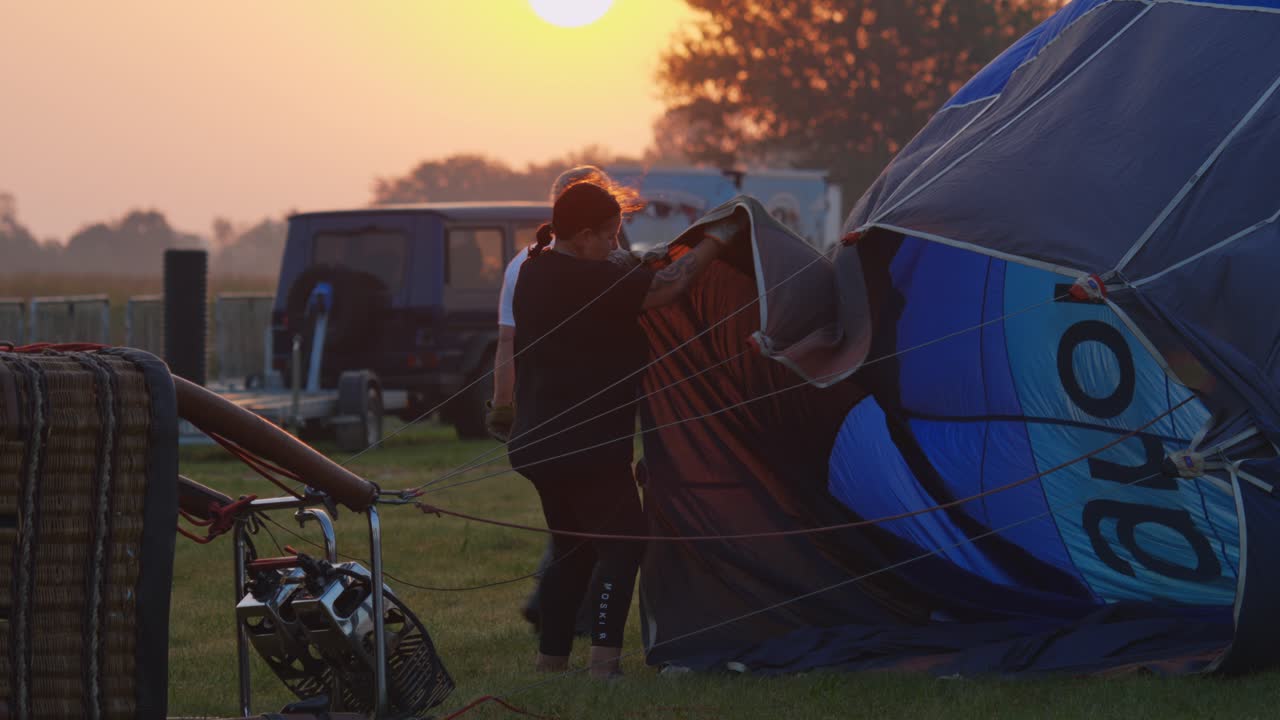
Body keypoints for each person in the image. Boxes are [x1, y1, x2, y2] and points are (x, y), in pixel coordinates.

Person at [508, 182, 741, 678]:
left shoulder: (535, 268)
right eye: (610, 236)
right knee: (623, 545)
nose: (616, 246)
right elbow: (671, 286)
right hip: (585, 447)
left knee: (574, 551)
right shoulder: (585, 279)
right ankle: (604, 666)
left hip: (539, 442)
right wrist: (719, 237)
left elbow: (621, 272)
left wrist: (636, 260)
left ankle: (551, 664)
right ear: (585, 234)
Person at [486, 165, 628, 637]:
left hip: (546, 422)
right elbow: (509, 341)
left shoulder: (525, 264)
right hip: (576, 421)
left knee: (571, 535)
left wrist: (504, 406)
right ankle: (580, 632)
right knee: (604, 537)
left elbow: (510, 340)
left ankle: (554, 626)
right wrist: (503, 402)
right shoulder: (560, 267)